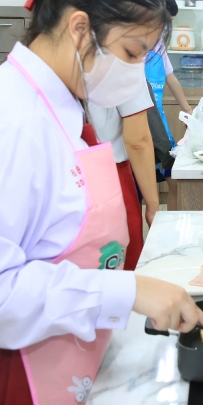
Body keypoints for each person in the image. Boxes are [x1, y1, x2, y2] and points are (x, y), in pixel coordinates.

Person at [0, 0, 203, 405]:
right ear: (80, 29)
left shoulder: (56, 107)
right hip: (6, 383)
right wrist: (125, 292)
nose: (135, 73)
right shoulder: (9, 121)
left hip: (57, 365)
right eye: (130, 53)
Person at [87, 59, 159, 271]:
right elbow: (137, 141)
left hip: (62, 174)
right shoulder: (122, 61)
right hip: (109, 177)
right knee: (119, 268)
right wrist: (153, 207)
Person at [144, 0, 191, 211]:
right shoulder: (133, 49)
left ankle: (172, 229)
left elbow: (171, 79)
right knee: (144, 188)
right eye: (166, 22)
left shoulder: (159, 47)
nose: (167, 29)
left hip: (159, 125)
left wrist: (187, 110)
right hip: (141, 128)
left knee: (175, 181)